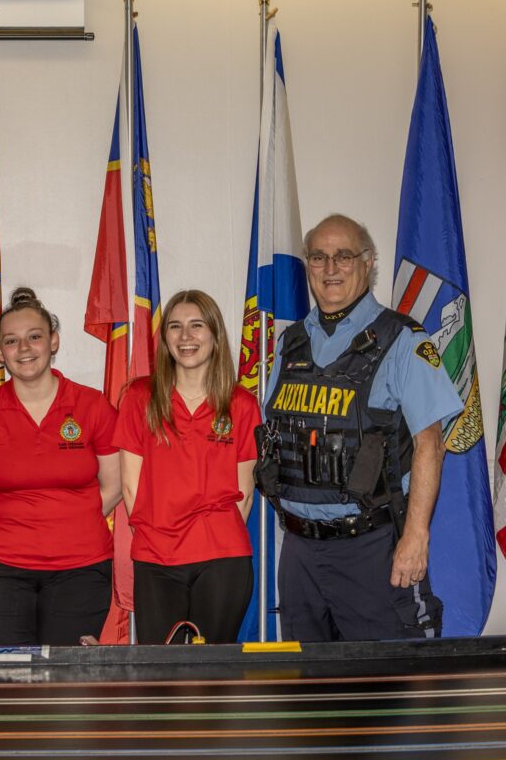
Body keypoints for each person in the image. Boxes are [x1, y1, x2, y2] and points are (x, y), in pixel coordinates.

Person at [256, 214, 463, 642]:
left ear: (367, 263)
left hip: (371, 548)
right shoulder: (289, 342)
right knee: (306, 677)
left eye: (344, 256)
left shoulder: (402, 340)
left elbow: (430, 445)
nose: (330, 268)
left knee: (387, 676)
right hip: (299, 553)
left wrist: (416, 537)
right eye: (319, 257)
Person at [0, 287, 121, 647]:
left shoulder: (93, 406)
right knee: (3, 675)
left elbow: (114, 486)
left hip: (81, 571)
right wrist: (16, 525)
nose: (24, 348)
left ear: (53, 341)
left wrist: (69, 523)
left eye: (34, 337)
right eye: (11, 341)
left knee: (69, 676)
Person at [113, 289, 259, 645]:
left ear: (215, 334)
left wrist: (206, 538)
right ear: (164, 339)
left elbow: (244, 494)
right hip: (156, 555)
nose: (185, 336)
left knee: (212, 667)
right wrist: (161, 536)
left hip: (222, 555)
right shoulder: (139, 397)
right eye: (175, 326)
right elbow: (130, 487)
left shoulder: (241, 403)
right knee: (162, 668)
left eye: (197, 325)